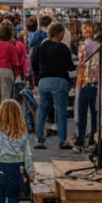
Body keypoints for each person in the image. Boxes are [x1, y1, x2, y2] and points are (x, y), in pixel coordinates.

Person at [31, 22, 75, 150]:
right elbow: (70, 67)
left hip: (44, 81)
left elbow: (33, 62)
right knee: (61, 111)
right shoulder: (64, 48)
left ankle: (40, 139)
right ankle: (62, 140)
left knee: (43, 110)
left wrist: (40, 73)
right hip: (60, 81)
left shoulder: (41, 46)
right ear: (60, 33)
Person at [0, 22, 27, 111]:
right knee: (6, 98)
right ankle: (4, 120)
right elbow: (15, 63)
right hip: (6, 71)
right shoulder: (10, 46)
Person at [74, 21, 101, 148]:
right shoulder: (99, 45)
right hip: (95, 82)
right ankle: (92, 138)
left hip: (85, 82)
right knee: (94, 112)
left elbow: (81, 63)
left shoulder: (83, 46)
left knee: (82, 112)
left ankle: (81, 138)